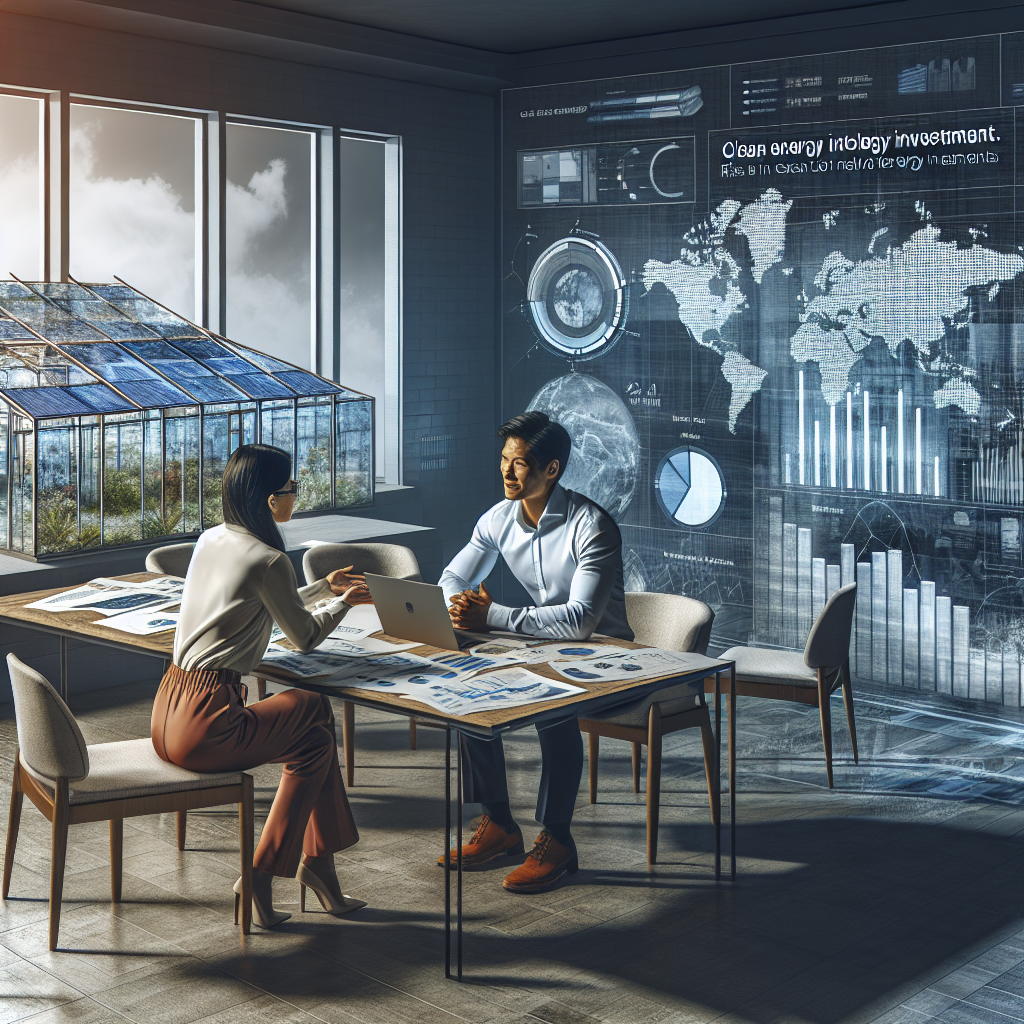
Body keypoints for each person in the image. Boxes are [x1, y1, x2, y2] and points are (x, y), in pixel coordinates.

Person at [151, 443, 370, 928]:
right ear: (271, 500)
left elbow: (257, 600)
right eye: (292, 488)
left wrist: (322, 588)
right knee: (314, 707)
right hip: (207, 723)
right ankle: (269, 872)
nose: (296, 495)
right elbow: (305, 636)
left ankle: (316, 871)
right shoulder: (270, 558)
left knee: (314, 744)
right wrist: (347, 603)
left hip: (168, 709)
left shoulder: (211, 540)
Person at [438, 411, 632, 893]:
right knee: (469, 691)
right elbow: (452, 579)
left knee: (554, 706)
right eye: (504, 460)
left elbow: (581, 621)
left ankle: (558, 838)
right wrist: (459, 606)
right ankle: (500, 823)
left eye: (519, 464)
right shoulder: (497, 519)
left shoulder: (592, 526)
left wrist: (493, 617)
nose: (506, 472)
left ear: (552, 469)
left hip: (608, 658)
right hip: (538, 643)